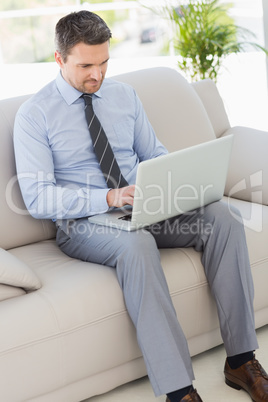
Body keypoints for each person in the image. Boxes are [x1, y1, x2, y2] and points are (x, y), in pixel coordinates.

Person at [14, 10, 268, 402]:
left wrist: (167, 182)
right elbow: (37, 197)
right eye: (85, 66)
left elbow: (155, 153)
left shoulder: (123, 96)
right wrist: (107, 197)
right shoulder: (34, 116)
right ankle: (179, 390)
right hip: (85, 223)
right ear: (59, 59)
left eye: (103, 63)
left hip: (146, 206)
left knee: (223, 217)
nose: (97, 76)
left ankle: (240, 359)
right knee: (136, 244)